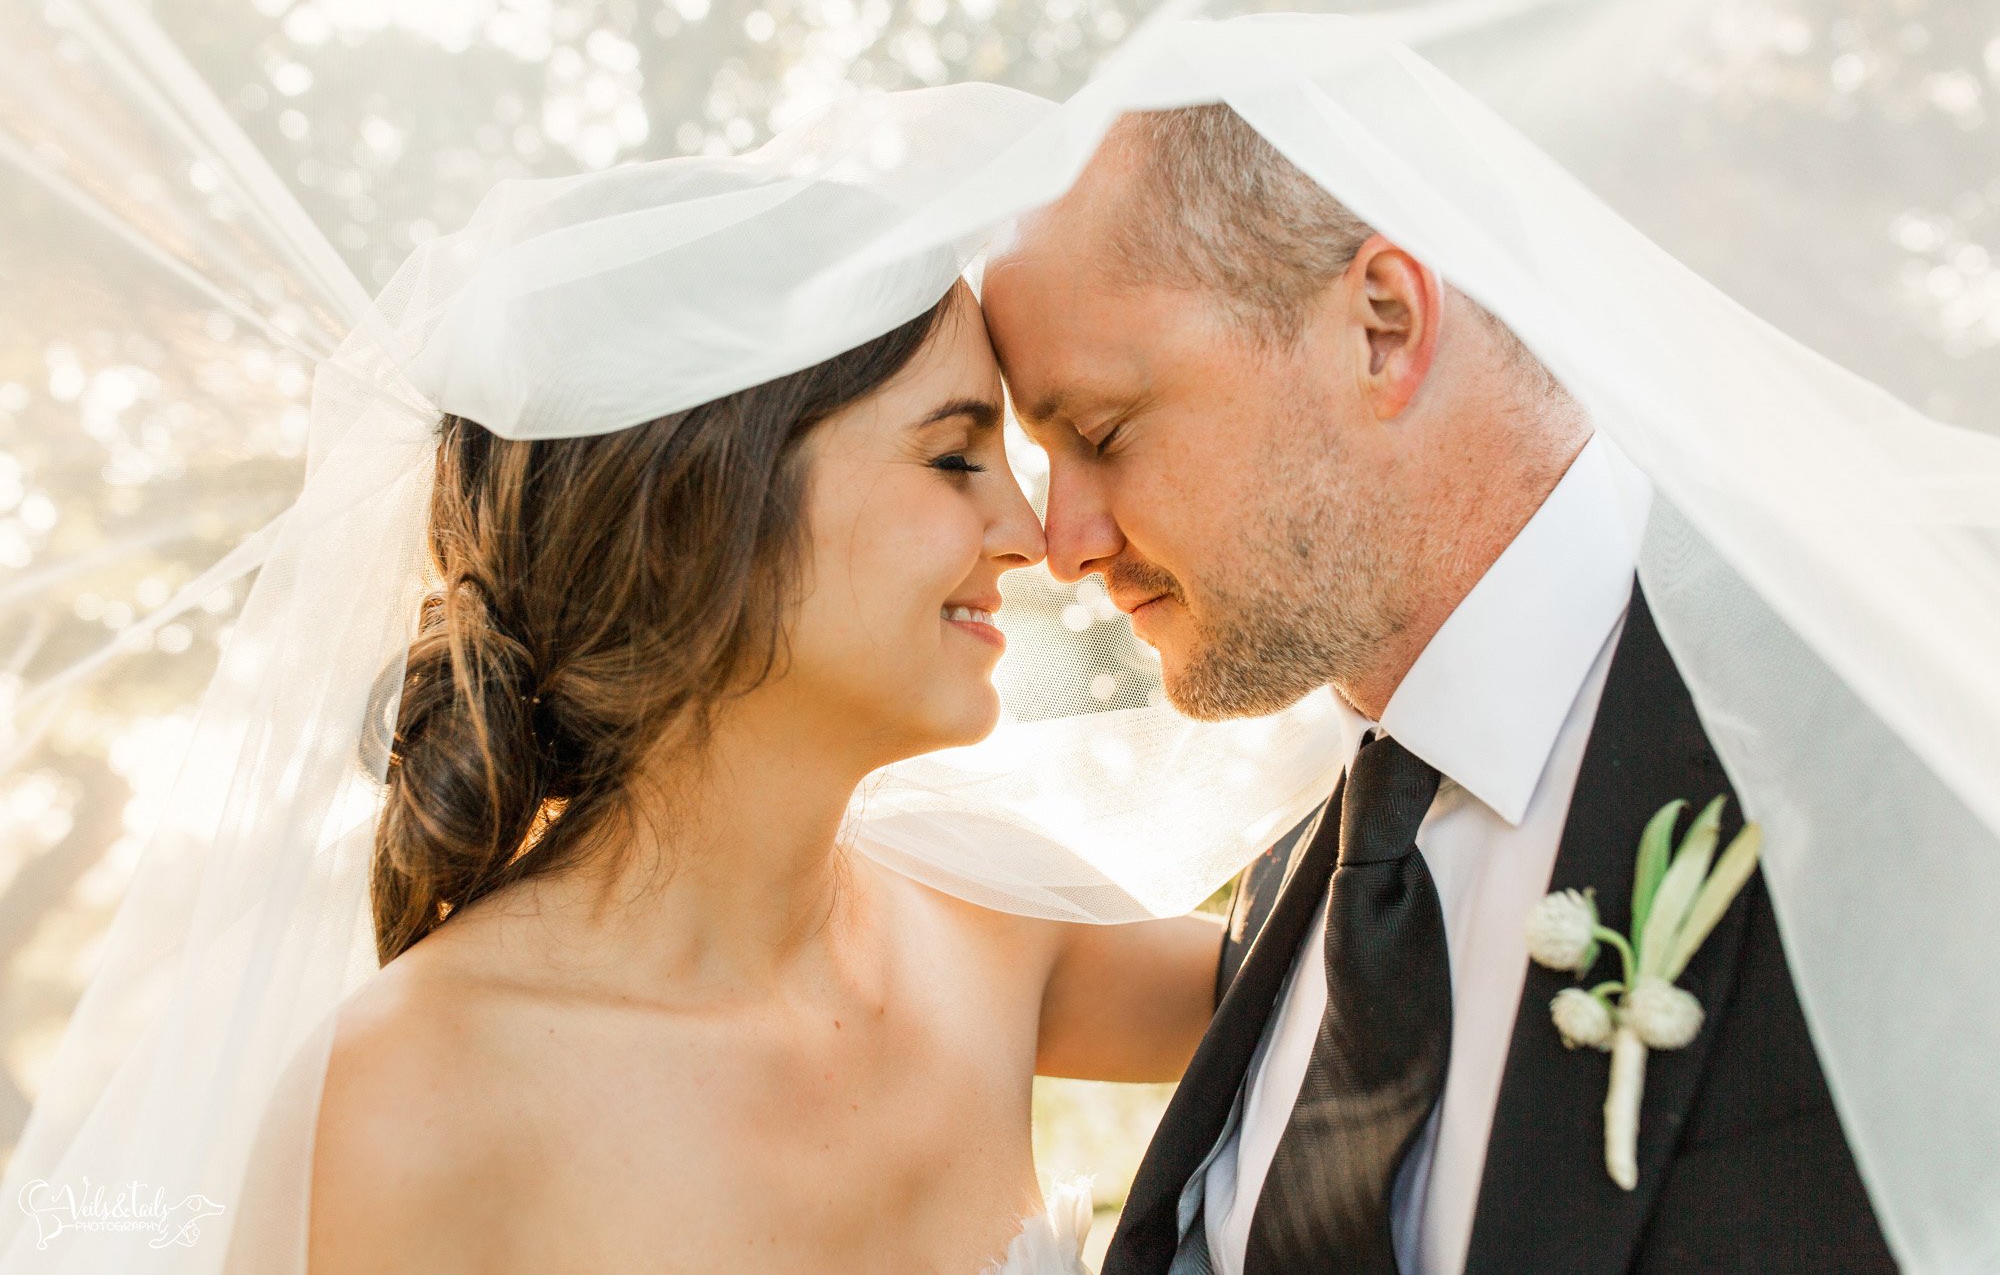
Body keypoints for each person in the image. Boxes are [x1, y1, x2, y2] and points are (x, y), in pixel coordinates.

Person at [981, 103, 1900, 1273]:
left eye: (1102, 430)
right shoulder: (1308, 866)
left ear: (1379, 326)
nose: (1063, 543)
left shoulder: (1854, 754)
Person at [304, 280, 1224, 1274]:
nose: (1029, 535)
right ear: (695, 520)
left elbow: (1376, 974)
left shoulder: (987, 915)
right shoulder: (409, 1100)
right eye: (954, 456)